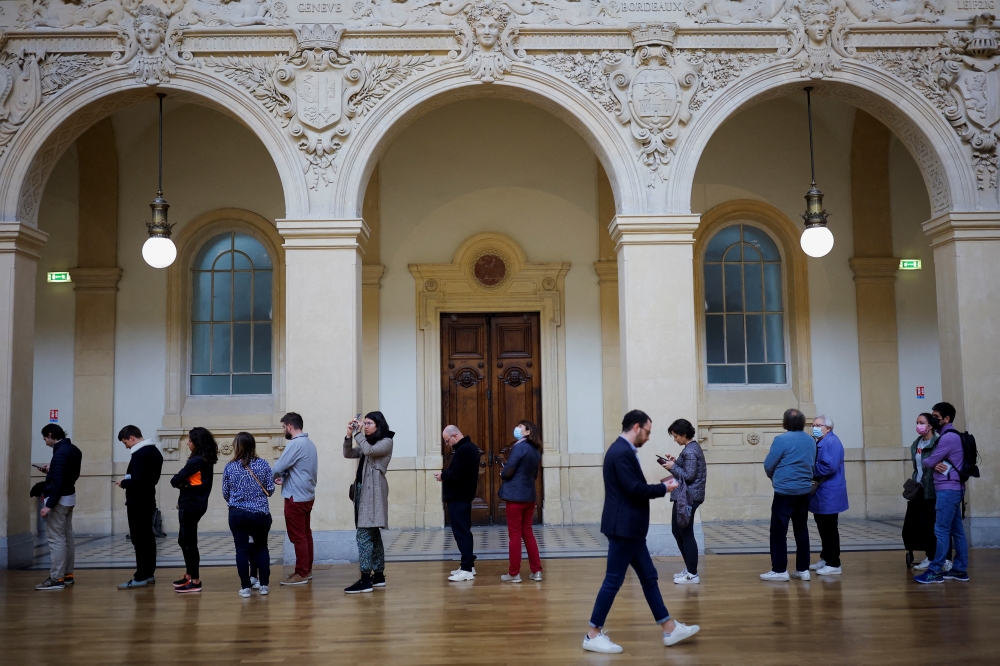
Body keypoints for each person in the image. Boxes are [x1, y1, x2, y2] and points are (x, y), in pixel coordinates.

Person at [582, 410, 700, 654]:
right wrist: (664, 487)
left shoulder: (622, 450)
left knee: (648, 577)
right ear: (636, 427)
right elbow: (634, 489)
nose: (648, 438)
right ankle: (592, 634)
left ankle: (669, 628)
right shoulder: (621, 451)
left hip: (630, 528)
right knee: (613, 580)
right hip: (623, 527)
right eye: (647, 432)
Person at [914, 402, 970, 584]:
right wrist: (932, 461)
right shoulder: (947, 435)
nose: (933, 419)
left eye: (936, 417)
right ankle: (960, 570)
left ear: (947, 419)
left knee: (941, 529)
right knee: (957, 530)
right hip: (953, 488)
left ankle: (936, 570)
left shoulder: (947, 438)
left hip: (947, 489)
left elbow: (929, 461)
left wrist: (931, 461)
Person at [760, 409, 815, 582]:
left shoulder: (781, 440)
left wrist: (774, 478)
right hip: (804, 491)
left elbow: (769, 464)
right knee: (802, 529)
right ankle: (803, 569)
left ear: (785, 423)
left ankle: (779, 570)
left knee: (778, 531)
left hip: (784, 492)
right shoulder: (810, 440)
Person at [343, 411, 394, 594]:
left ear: (379, 425)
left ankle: (365, 579)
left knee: (363, 535)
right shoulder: (367, 442)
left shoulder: (386, 441)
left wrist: (357, 434)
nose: (365, 426)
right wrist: (349, 434)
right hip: (363, 492)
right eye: (364, 423)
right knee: (372, 535)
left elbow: (370, 451)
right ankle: (378, 575)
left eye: (369, 423)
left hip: (373, 493)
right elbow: (348, 453)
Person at [223, 432, 276, 597]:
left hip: (237, 513)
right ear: (253, 445)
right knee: (261, 548)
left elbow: (226, 492)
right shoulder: (263, 464)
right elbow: (271, 489)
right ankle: (264, 585)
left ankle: (245, 587)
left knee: (241, 550)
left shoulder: (230, 467)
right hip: (259, 513)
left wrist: (237, 500)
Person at [169, 427, 218, 593]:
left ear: (197, 442)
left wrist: (183, 484)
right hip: (196, 503)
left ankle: (195, 580)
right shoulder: (204, 459)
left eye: (190, 440)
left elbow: (175, 480)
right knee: (184, 541)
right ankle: (189, 575)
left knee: (189, 543)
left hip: (190, 504)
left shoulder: (196, 461)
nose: (187, 442)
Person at [34, 424, 82, 591]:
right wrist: (51, 470)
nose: (45, 442)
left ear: (50, 434)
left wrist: (49, 505)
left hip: (59, 500)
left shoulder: (60, 453)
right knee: (67, 537)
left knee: (56, 539)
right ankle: (68, 574)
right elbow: (69, 475)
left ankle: (56, 578)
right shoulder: (73, 449)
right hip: (69, 498)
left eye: (45, 439)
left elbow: (59, 482)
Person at [272, 412, 318, 586]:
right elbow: (301, 470)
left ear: (289, 426)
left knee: (298, 536)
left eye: (283, 427)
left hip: (295, 497)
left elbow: (278, 466)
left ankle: (301, 573)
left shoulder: (295, 444)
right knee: (305, 534)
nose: (284, 430)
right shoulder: (309, 444)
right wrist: (284, 479)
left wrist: (266, 477)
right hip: (306, 494)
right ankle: (306, 569)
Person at [659, 418, 706, 585]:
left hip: (688, 497)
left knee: (685, 533)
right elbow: (686, 469)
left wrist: (673, 467)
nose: (675, 439)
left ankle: (692, 573)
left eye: (676, 436)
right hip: (685, 497)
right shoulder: (689, 449)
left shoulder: (691, 451)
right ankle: (690, 568)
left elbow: (688, 476)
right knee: (677, 531)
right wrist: (675, 461)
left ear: (684, 434)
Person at [116, 425, 163, 590]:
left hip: (138, 502)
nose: (126, 446)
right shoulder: (154, 452)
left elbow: (138, 480)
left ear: (132, 438)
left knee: (140, 539)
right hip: (148, 500)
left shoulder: (140, 454)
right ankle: (148, 573)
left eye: (125, 442)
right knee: (147, 538)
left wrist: (124, 482)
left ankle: (141, 576)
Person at [903, 413, 951, 571]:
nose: (918, 425)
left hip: (935, 490)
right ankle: (931, 557)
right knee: (923, 525)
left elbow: (945, 465)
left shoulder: (939, 443)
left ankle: (944, 559)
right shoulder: (916, 444)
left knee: (938, 525)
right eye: (917, 422)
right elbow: (917, 467)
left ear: (930, 425)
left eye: (922, 422)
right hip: (920, 490)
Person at [498, 419, 543, 583]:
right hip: (529, 495)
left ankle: (514, 573)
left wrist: (502, 474)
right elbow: (534, 474)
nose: (516, 429)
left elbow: (509, 469)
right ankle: (536, 571)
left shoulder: (519, 447)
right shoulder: (535, 450)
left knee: (515, 535)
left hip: (516, 497)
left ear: (527, 431)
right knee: (528, 533)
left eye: (520, 427)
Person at [436, 425, 481, 582]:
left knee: (462, 533)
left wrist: (443, 475)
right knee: (463, 531)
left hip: (459, 497)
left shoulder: (465, 450)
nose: (447, 444)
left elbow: (458, 475)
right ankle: (467, 565)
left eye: (447, 440)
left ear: (454, 435)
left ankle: (467, 568)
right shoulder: (468, 448)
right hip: (461, 496)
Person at [808, 415, 848, 576]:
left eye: (819, 425)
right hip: (823, 493)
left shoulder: (831, 442)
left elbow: (829, 467)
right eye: (813, 424)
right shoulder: (822, 441)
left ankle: (833, 563)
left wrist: (810, 472)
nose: (815, 427)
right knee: (823, 527)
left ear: (828, 428)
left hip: (829, 492)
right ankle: (825, 558)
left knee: (829, 528)